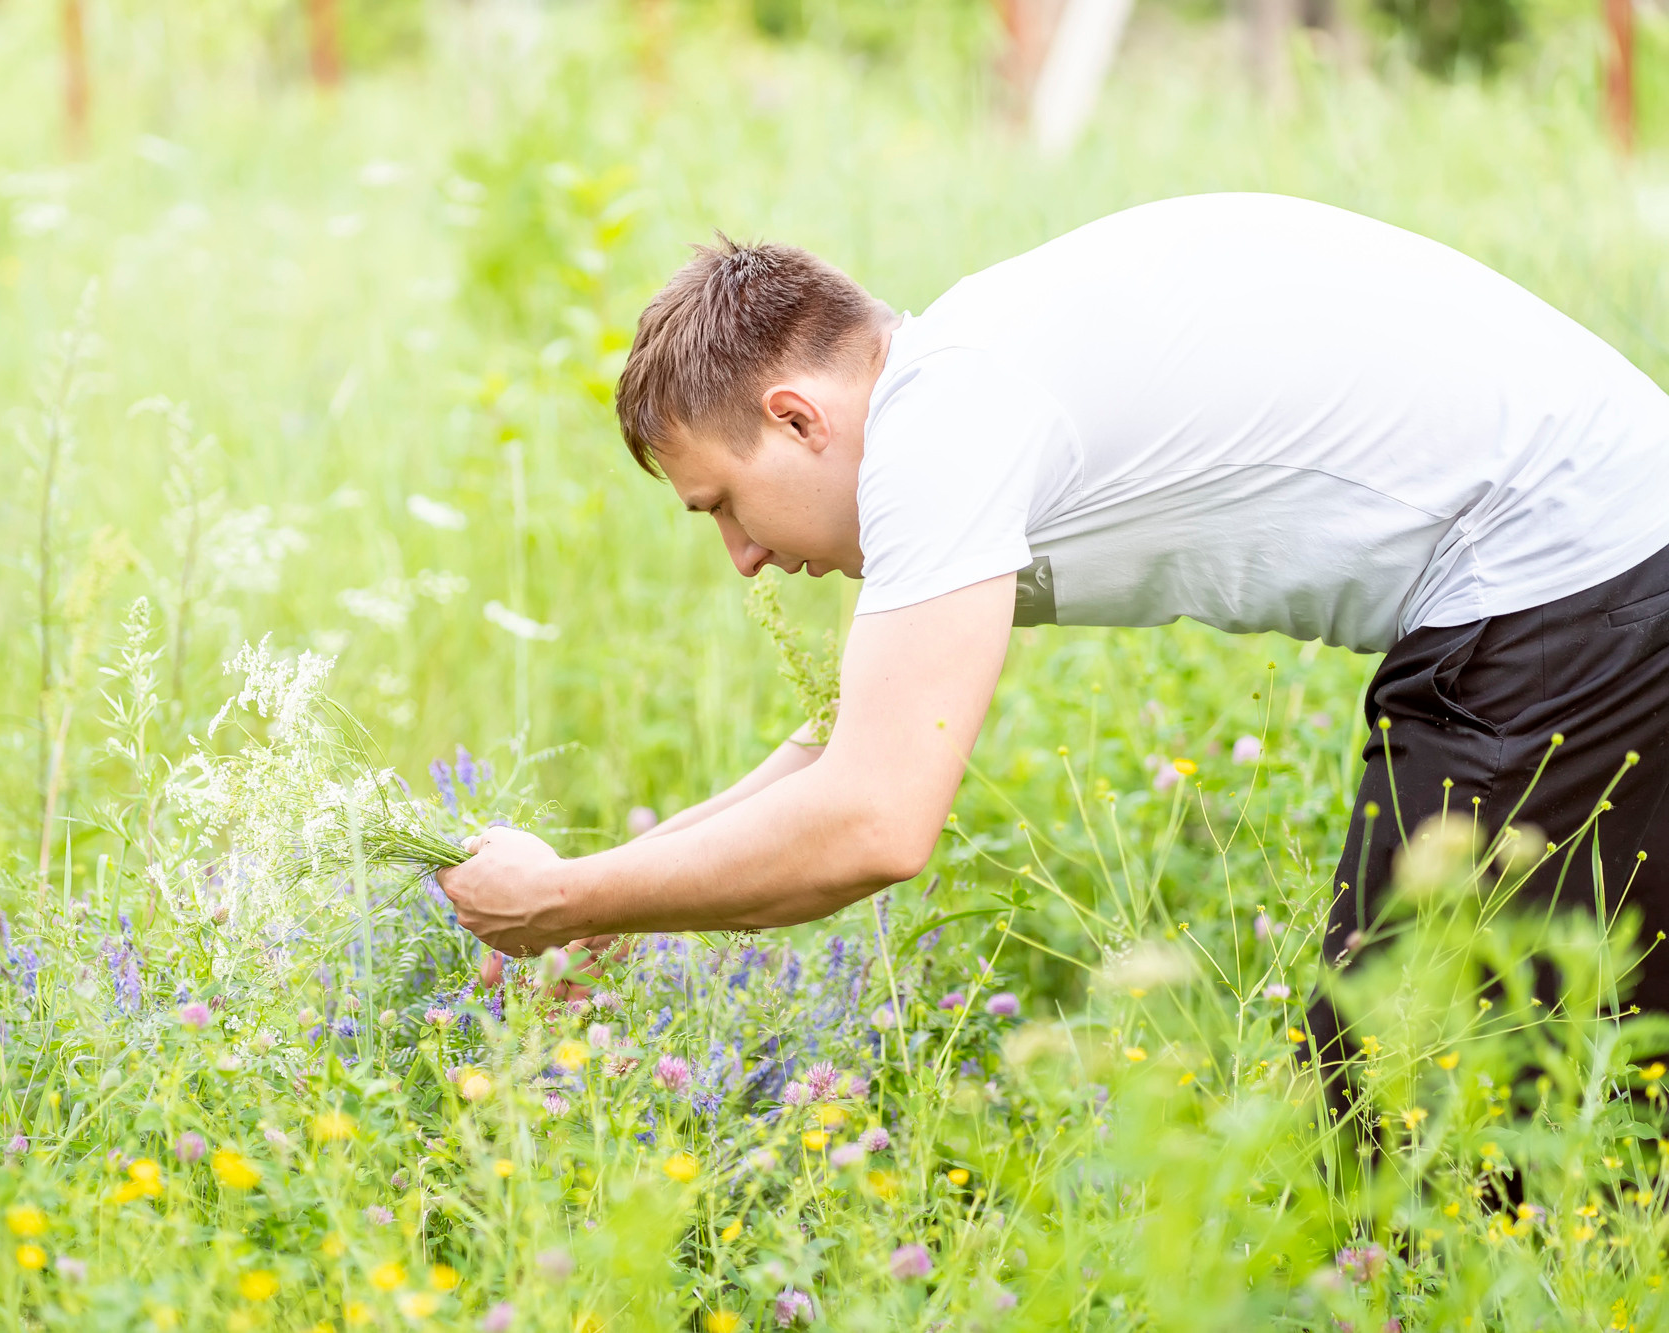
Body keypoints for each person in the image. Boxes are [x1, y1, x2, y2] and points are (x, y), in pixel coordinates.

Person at [435, 193, 1669, 1037]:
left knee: (1409, 1109)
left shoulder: (950, 419)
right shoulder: (963, 377)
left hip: (1561, 573)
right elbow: (838, 749)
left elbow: (871, 822)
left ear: (797, 417)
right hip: (1596, 551)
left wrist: (567, 902)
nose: (744, 558)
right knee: (1582, 1068)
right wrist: (607, 898)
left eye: (726, 504)